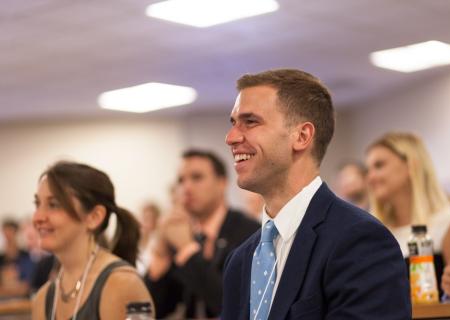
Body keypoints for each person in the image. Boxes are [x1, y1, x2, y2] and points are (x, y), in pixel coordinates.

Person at [223, 69, 410, 319]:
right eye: (234, 123)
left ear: (301, 136)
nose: (231, 137)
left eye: (251, 121)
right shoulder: (241, 260)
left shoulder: (359, 241)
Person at [144, 149, 259, 319]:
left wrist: (187, 250)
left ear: (222, 183)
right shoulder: (181, 233)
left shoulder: (249, 232)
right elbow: (154, 310)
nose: (186, 187)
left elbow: (233, 305)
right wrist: (161, 254)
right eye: (181, 180)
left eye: (197, 178)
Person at [31, 161, 153, 320]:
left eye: (54, 205)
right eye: (37, 204)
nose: (38, 217)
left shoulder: (122, 285)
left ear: (94, 217)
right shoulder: (43, 298)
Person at [365, 132, 450, 291]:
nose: (370, 177)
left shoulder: (449, 223)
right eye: (368, 169)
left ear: (410, 165)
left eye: (379, 165)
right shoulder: (374, 233)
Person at [0, 219, 35, 298]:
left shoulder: (26, 257)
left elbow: (27, 286)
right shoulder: (1, 259)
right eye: (5, 233)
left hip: (21, 303)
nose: (7, 237)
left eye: (10, 232)